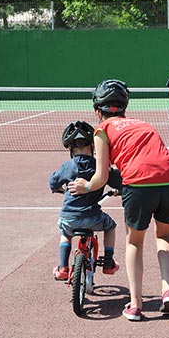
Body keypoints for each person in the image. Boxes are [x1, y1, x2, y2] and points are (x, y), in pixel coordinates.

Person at [68, 80, 169, 321]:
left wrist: (85, 186)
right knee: (164, 236)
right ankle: (167, 292)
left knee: (135, 243)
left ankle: (136, 305)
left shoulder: (101, 130)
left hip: (139, 184)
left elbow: (101, 176)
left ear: (97, 110)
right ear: (124, 107)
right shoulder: (144, 124)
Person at [49, 120, 122, 281]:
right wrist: (119, 191)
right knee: (111, 227)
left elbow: (52, 182)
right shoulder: (99, 166)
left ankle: (63, 267)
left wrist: (61, 190)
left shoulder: (67, 166)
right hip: (92, 217)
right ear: (93, 147)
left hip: (69, 218)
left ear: (71, 150)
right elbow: (118, 181)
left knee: (65, 233)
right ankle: (108, 262)